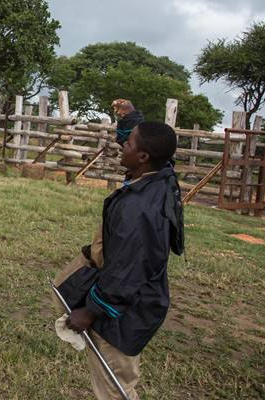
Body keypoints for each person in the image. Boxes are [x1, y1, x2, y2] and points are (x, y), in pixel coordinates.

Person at [65, 121, 184, 399]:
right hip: (134, 301)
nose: (122, 145)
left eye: (128, 143)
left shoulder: (140, 210)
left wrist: (90, 311)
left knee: (116, 385)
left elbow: (127, 273)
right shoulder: (157, 178)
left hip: (126, 312)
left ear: (143, 157)